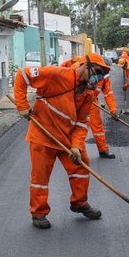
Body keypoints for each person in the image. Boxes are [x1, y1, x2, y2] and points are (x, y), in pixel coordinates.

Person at [13, 57, 103, 229]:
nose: (96, 78)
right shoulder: (57, 74)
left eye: (101, 75)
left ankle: (79, 203)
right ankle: (39, 213)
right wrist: (22, 105)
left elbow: (82, 123)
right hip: (43, 135)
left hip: (67, 139)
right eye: (96, 72)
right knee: (40, 177)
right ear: (85, 65)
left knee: (82, 165)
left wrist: (76, 146)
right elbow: (22, 75)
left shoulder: (88, 93)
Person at [60, 53, 122, 159]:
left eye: (103, 72)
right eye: (100, 71)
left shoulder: (104, 78)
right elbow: (62, 73)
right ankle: (67, 150)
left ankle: (103, 150)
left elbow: (108, 94)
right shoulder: (78, 66)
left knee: (97, 126)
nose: (101, 75)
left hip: (92, 101)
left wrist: (113, 110)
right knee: (71, 125)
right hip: (74, 100)